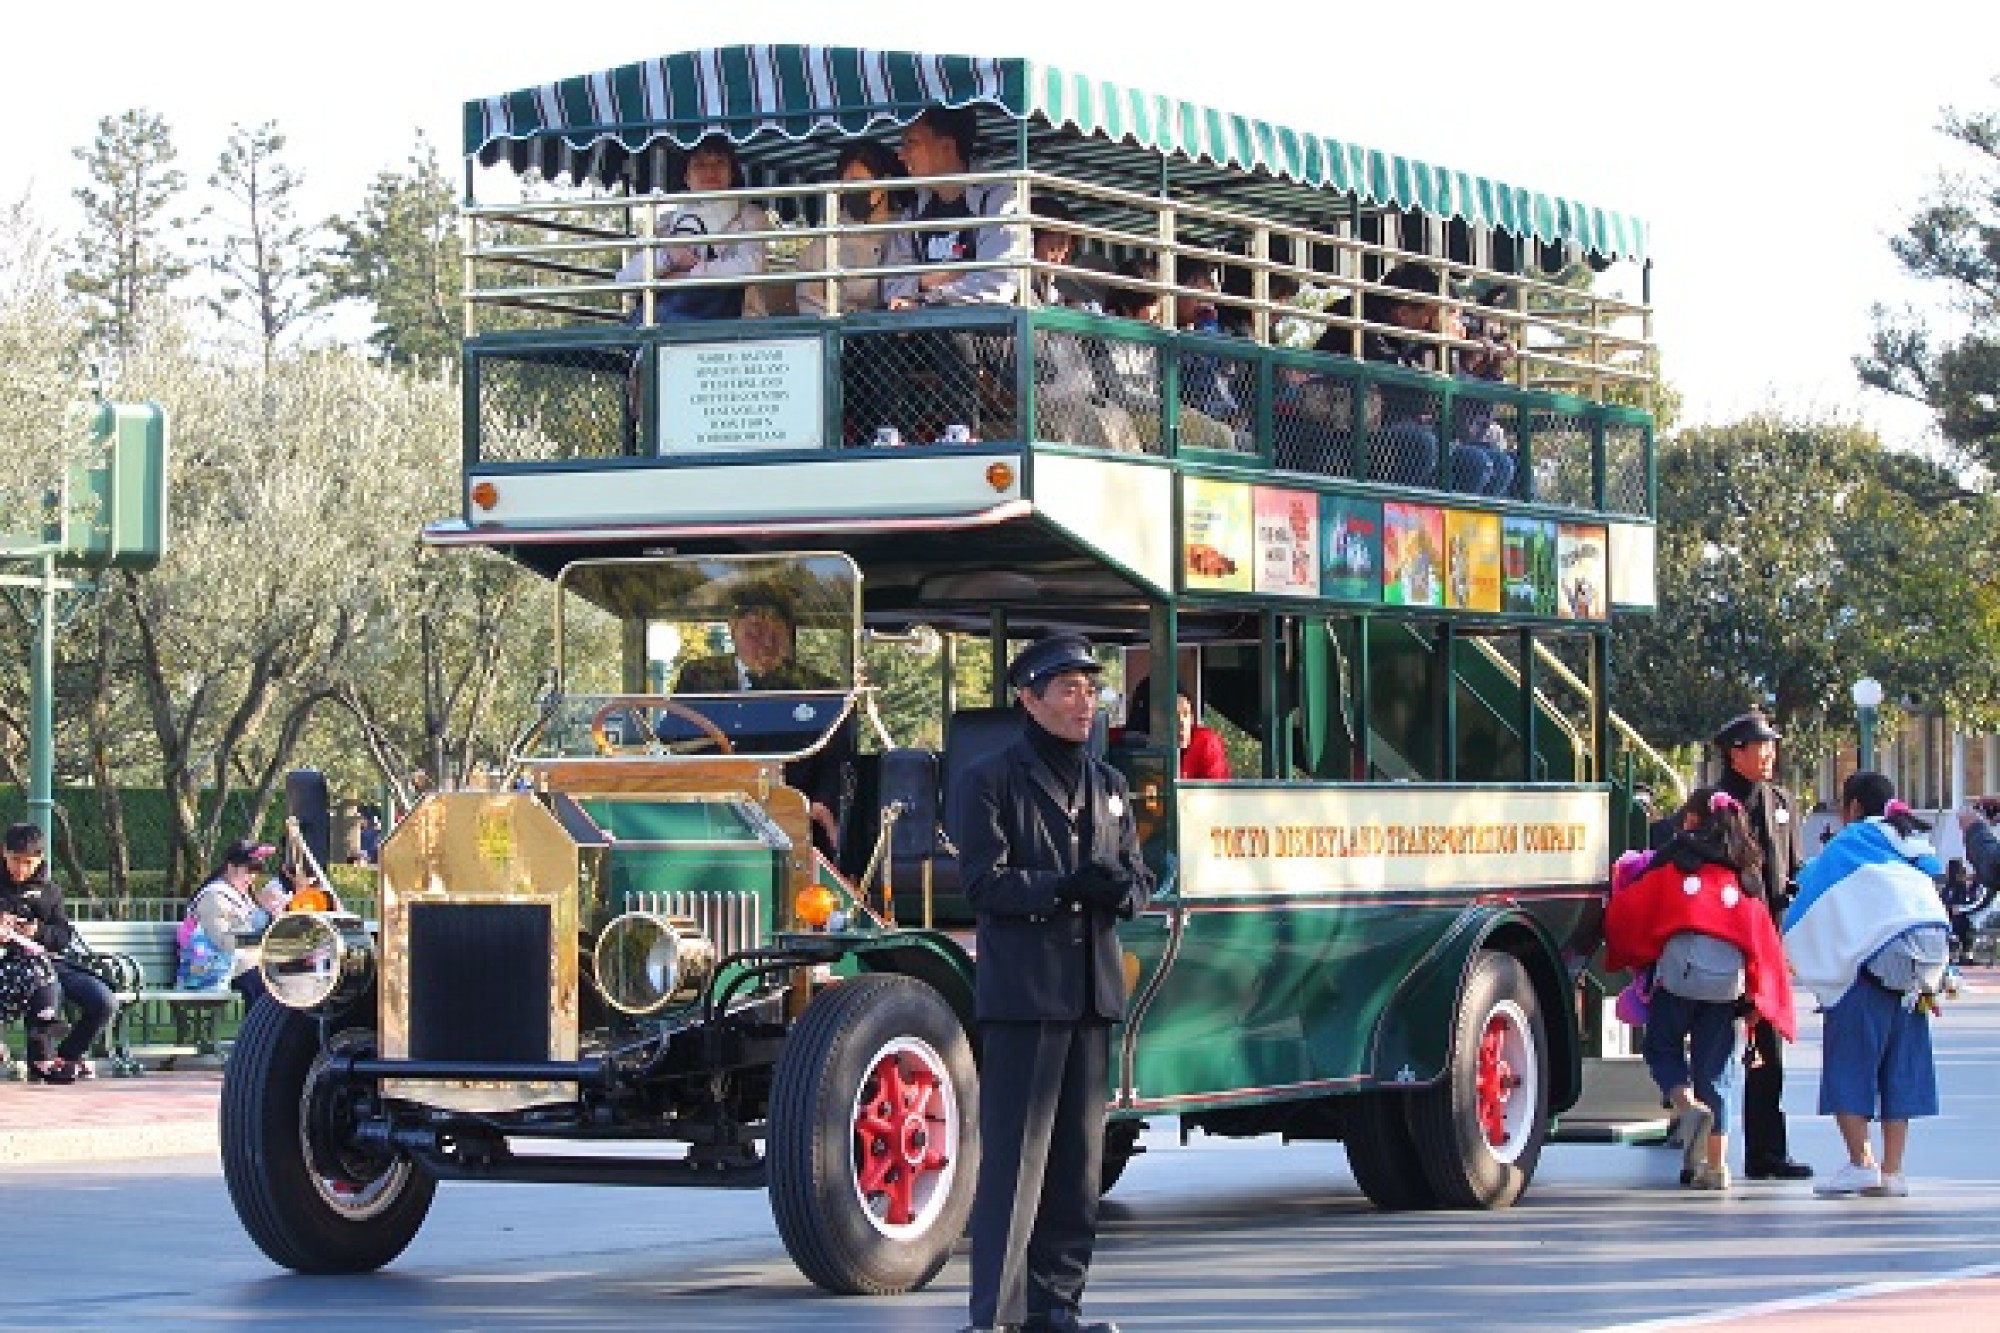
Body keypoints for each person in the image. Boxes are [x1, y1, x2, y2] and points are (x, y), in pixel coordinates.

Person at [947, 634, 1152, 1333]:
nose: (1083, 701)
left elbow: (1139, 878)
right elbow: (983, 881)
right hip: (1027, 997)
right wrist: (1063, 888)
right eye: (1067, 688)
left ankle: (1057, 1306)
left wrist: (1124, 889)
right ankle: (995, 1317)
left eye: (1091, 689)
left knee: (1076, 1165)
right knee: (1016, 1162)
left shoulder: (1110, 784)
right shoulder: (989, 779)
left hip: (1091, 992)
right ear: (1029, 699)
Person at [1604, 788, 1796, 1191]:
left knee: (1662, 1049)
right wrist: (1760, 998)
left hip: (1678, 981)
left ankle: (1687, 1107)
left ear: (1693, 820)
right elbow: (1762, 939)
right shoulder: (1746, 875)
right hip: (1726, 991)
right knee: (1718, 1074)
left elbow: (1635, 909)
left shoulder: (1676, 861)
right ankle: (1716, 1166)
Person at [1786, 773, 1952, 1198]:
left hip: (1868, 969)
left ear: (1853, 807)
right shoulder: (1913, 844)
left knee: (1850, 1064)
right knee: (1901, 1068)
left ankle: (1862, 1162)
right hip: (1917, 972)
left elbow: (1812, 897)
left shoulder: (1851, 841)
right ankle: (1893, 1172)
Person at [1711, 709, 1813, 1180]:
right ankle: (1701, 1151)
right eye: (1760, 745)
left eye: (1772, 744)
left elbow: (1794, 871)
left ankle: (1767, 1152)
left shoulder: (1781, 801)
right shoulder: (1715, 804)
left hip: (1768, 940)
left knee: (1767, 1049)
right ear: (1736, 753)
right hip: (1723, 937)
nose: (1770, 753)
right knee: (1712, 1047)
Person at [675, 583, 849, 855]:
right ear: (733, 630)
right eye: (755, 633)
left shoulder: (818, 689)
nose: (766, 645)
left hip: (791, 818)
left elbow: (836, 763)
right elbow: (673, 742)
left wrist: (822, 803)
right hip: (713, 810)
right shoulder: (699, 677)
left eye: (775, 634)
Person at [0, 821, 120, 1084]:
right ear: (3, 853)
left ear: (39, 859)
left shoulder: (49, 891)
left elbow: (62, 936)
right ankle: (40, 1061)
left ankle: (66, 1057)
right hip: (10, 965)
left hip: (50, 961)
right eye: (15, 860)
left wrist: (37, 931)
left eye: (28, 862)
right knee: (45, 987)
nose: (21, 869)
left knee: (104, 1001)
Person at [617, 132, 769, 324]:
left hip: (734, 324)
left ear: (732, 173)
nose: (710, 171)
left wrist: (687, 275)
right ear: (686, 177)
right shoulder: (666, 223)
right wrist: (669, 256)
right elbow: (625, 281)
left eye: (719, 163)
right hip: (667, 328)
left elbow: (750, 267)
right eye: (700, 165)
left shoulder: (749, 216)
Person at [795, 139, 903, 317]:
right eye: (845, 184)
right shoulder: (829, 234)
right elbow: (809, 297)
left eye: (858, 182)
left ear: (884, 184)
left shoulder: (905, 228)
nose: (851, 192)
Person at [179, 839, 275, 1005]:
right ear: (231, 868)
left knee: (285, 976)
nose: (252, 877)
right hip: (206, 970)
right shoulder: (214, 896)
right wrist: (260, 934)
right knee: (265, 983)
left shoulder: (241, 895)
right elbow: (223, 942)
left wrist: (270, 915)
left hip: (235, 966)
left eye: (256, 872)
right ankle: (259, 1030)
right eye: (248, 871)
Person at [1126, 678, 1230, 780]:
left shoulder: (1206, 743)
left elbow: (1216, 794)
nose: (1182, 722)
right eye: (1172, 715)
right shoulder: (1125, 741)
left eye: (1186, 713)